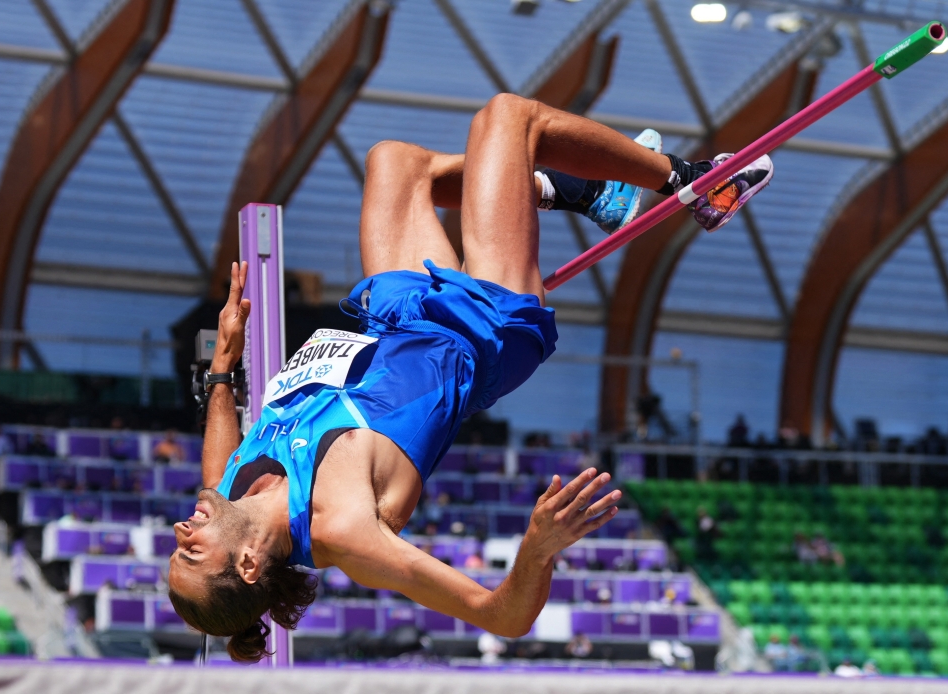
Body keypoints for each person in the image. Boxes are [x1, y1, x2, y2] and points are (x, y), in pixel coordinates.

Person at [166, 94, 774, 662]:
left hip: (394, 316)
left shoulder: (231, 494)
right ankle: (694, 181)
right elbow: (500, 618)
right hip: (480, 329)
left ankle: (589, 191)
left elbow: (214, 463)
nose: (180, 529)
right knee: (508, 120)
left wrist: (222, 366)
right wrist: (536, 549)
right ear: (249, 565)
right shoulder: (346, 530)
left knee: (397, 163)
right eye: (191, 550)